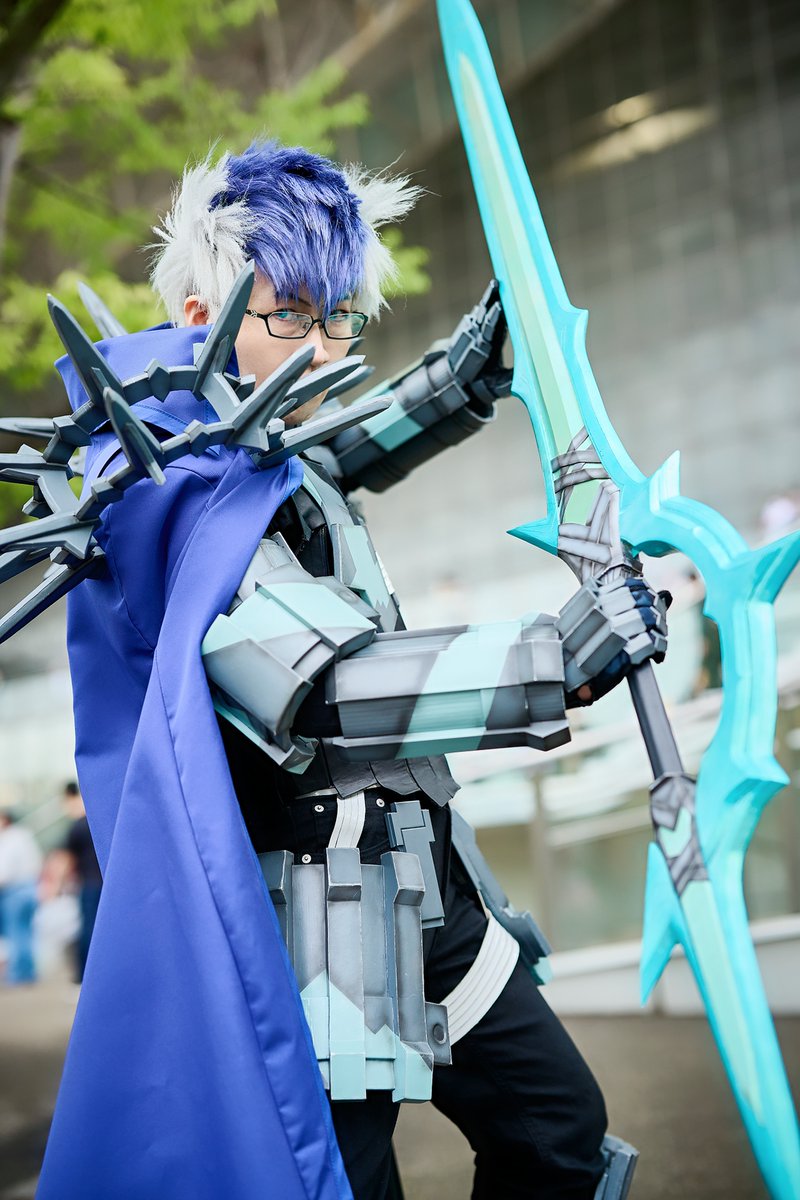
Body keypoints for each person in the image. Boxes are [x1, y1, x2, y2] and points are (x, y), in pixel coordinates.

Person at [33, 142, 665, 1200]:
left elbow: (338, 450)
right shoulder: (166, 493)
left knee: (557, 1133)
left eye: (337, 318)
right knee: (341, 1181)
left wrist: (471, 367)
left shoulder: (262, 453)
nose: (323, 347)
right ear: (201, 316)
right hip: (317, 912)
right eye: (292, 316)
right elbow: (326, 689)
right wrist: (556, 658)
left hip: (427, 876)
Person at [61, 781, 102, 982]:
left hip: (89, 884)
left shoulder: (77, 826)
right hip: (105, 883)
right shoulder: (101, 823)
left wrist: (58, 885)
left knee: (88, 929)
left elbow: (68, 860)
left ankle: (84, 974)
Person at [0, 809, 42, 984]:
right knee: (26, 932)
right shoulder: (25, 836)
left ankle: (17, 974)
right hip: (30, 887)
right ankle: (28, 971)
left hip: (14, 891)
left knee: (16, 932)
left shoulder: (8, 840)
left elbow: (5, 871)